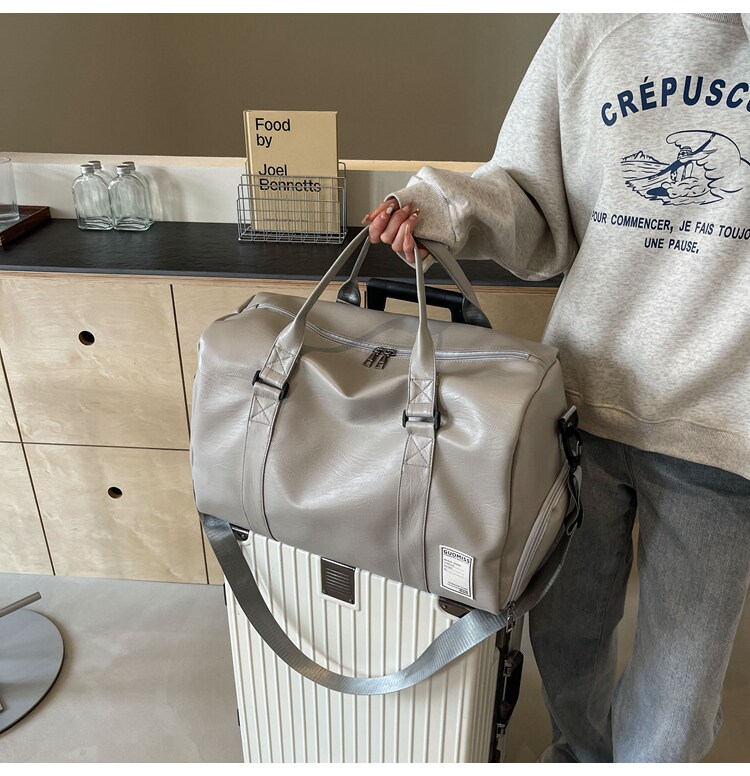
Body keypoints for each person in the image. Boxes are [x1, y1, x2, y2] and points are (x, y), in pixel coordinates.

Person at [363, 12, 750, 764]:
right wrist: (442, 209)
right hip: (582, 398)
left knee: (678, 708)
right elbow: (529, 198)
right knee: (567, 635)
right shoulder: (594, 24)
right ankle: (579, 754)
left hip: (722, 422)